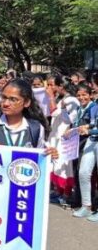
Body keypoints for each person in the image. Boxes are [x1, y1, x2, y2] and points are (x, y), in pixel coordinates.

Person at [0, 79, 57, 158]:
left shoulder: (36, 128)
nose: (5, 103)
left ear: (26, 102)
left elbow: (40, 160)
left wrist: (50, 155)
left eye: (13, 99)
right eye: (4, 97)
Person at [48, 77, 79, 205]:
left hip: (65, 138)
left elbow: (62, 117)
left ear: (61, 86)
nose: (50, 88)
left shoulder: (72, 100)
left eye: (52, 85)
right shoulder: (62, 99)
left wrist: (50, 97)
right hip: (56, 136)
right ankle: (58, 192)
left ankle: (66, 194)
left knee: (65, 166)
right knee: (56, 165)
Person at [71, 83, 98, 219]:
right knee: (83, 172)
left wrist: (89, 129)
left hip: (94, 137)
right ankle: (86, 206)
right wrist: (88, 126)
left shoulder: (93, 105)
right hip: (92, 140)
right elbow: (95, 122)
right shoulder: (95, 106)